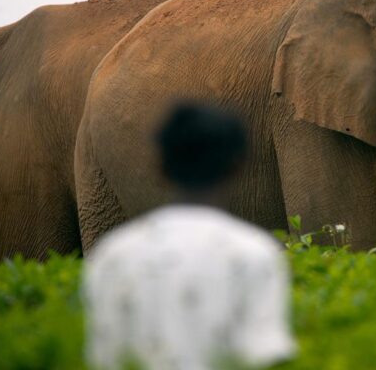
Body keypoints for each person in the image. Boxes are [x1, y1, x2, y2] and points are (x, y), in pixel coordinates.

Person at [83, 103, 296, 370]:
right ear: (237, 167)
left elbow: (104, 357)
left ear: (160, 167)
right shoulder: (255, 253)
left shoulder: (113, 254)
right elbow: (265, 358)